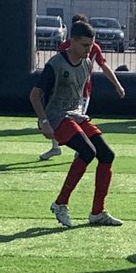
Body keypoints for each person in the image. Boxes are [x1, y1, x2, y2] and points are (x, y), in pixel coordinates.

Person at [29, 19, 122, 228]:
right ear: (72, 41)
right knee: (88, 152)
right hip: (56, 118)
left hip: (74, 115)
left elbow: (77, 95)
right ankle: (61, 203)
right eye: (85, 45)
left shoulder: (87, 63)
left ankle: (97, 212)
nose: (90, 50)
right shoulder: (56, 63)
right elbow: (35, 95)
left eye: (91, 45)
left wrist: (79, 114)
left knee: (107, 155)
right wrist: (44, 121)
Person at [39, 13, 126, 160]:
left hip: (82, 93)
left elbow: (103, 65)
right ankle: (57, 147)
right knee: (60, 118)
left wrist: (117, 84)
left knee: (83, 135)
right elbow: (59, 69)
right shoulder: (64, 49)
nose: (87, 48)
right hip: (61, 94)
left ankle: (80, 149)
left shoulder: (93, 48)